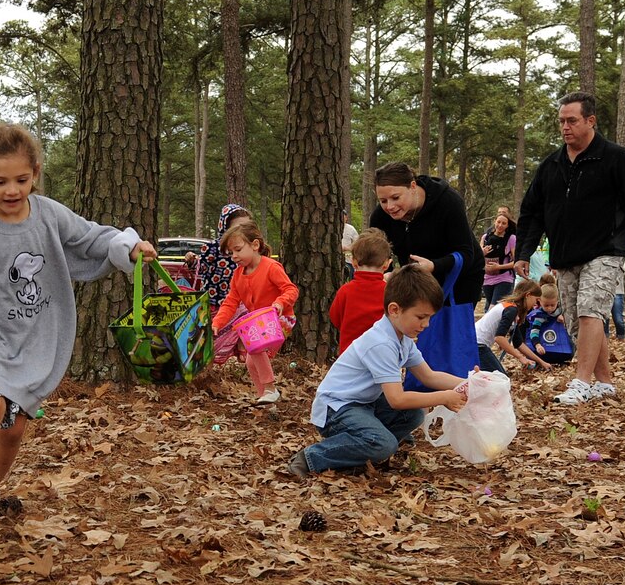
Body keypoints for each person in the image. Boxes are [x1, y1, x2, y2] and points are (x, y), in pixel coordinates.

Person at [0, 122, 156, 529]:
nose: (12, 190)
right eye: (0, 181)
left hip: (32, 335)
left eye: (21, 179)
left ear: (35, 172)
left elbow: (93, 239)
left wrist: (128, 247)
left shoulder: (49, 214)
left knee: (14, 428)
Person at [514, 93, 625, 405]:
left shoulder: (616, 159)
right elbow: (531, 212)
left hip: (606, 249)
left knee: (592, 310)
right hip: (565, 256)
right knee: (579, 323)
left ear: (590, 121)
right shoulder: (551, 165)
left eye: (572, 121)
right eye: (561, 121)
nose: (565, 127)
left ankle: (580, 382)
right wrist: (523, 252)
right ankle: (604, 382)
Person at [279, 268, 468, 478]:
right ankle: (312, 457)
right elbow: (396, 399)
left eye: (429, 318)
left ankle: (360, 452)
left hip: (363, 405)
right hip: (336, 410)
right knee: (384, 444)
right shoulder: (381, 343)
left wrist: (471, 382)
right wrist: (444, 397)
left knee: (413, 414)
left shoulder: (402, 339)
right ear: (395, 309)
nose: (426, 324)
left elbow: (429, 376)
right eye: (421, 317)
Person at [367, 164, 485, 306]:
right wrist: (387, 273)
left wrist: (434, 266)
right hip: (416, 280)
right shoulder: (380, 217)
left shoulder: (448, 202)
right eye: (383, 201)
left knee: (446, 326)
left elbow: (466, 254)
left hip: (460, 279)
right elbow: (376, 254)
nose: (390, 206)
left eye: (396, 197)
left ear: (412, 186)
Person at [211, 218, 299, 405]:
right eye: (231, 253)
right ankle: (264, 397)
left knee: (256, 345)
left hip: (281, 319)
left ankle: (270, 388)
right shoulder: (237, 276)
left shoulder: (271, 267)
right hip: (260, 323)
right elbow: (230, 302)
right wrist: (217, 322)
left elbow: (291, 289)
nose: (234, 256)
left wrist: (280, 303)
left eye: (238, 249)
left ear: (255, 245)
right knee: (251, 361)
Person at [329, 229, 390, 353]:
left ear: (354, 262)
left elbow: (335, 318)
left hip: (350, 354)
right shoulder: (390, 292)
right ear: (386, 265)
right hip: (382, 354)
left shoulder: (345, 290)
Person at [188, 203, 250, 306]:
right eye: (238, 228)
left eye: (247, 227)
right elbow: (201, 267)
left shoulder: (249, 248)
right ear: (225, 228)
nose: (244, 231)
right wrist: (192, 260)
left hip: (240, 305)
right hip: (214, 305)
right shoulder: (212, 248)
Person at [476, 279, 536, 372]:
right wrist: (520, 357)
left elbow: (518, 343)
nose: (535, 304)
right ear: (528, 295)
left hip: (476, 343)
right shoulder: (511, 309)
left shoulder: (509, 307)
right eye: (536, 300)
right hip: (478, 345)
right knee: (500, 378)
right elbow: (499, 338)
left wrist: (541, 362)